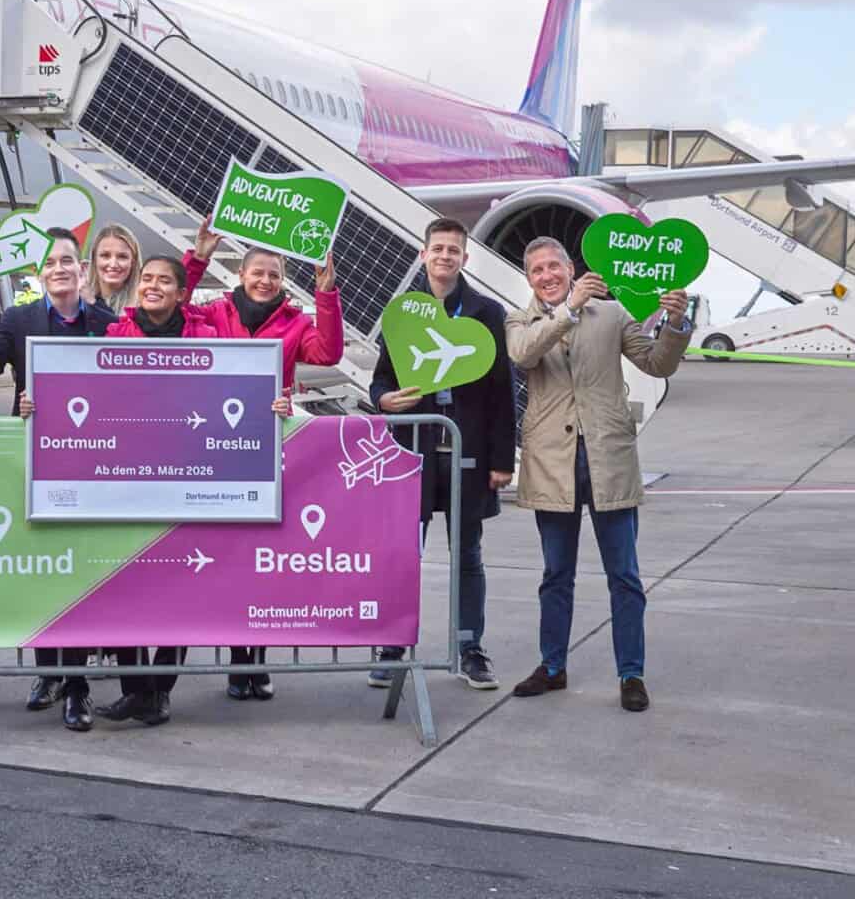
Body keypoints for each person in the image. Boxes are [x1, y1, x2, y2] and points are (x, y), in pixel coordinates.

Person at [29, 255, 288, 727]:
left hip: (191, 478)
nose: (152, 286)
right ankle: (135, 690)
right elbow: (87, 394)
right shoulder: (115, 336)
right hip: (126, 479)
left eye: (163, 280)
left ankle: (159, 692)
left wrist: (272, 402)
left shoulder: (206, 337)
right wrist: (38, 401)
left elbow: (240, 388)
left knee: (180, 591)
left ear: (180, 292)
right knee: (125, 585)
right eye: (146, 278)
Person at [505, 235, 689, 713]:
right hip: (552, 463)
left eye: (554, 266)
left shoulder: (611, 313)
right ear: (529, 279)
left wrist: (674, 322)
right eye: (536, 270)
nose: (546, 275)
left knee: (624, 575)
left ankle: (631, 673)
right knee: (555, 575)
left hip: (608, 457)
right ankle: (552, 666)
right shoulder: (519, 320)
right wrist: (568, 309)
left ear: (571, 268)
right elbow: (524, 355)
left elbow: (657, 361)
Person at [184, 221, 343, 700]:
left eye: (274, 274)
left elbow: (330, 349)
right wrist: (197, 259)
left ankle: (259, 658)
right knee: (232, 560)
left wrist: (326, 291)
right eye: (258, 272)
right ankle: (238, 661)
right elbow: (174, 313)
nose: (265, 281)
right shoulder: (214, 312)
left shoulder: (296, 322)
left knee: (265, 559)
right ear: (241, 273)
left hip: (270, 451)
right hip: (217, 448)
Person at [0, 225, 112, 729]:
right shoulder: (19, 319)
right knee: (43, 573)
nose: (58, 270)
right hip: (34, 462)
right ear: (39, 273)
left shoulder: (106, 322)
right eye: (49, 263)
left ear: (81, 269)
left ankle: (76, 686)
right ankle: (52, 673)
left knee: (77, 573)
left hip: (92, 466)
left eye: (66, 261)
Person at [366, 217, 514, 691]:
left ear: (464, 258)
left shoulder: (486, 312)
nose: (446, 256)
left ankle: (470, 648)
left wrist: (502, 459)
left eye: (454, 249)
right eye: (438, 249)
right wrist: (383, 401)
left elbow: (500, 392)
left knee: (467, 555)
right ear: (423, 255)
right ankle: (391, 648)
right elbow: (383, 378)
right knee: (405, 554)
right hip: (416, 453)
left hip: (468, 453)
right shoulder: (403, 312)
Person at [81, 223, 141, 315]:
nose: (113, 264)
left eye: (122, 256)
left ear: (133, 262)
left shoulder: (144, 307)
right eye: (105, 255)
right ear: (94, 259)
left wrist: (93, 304)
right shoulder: (77, 302)